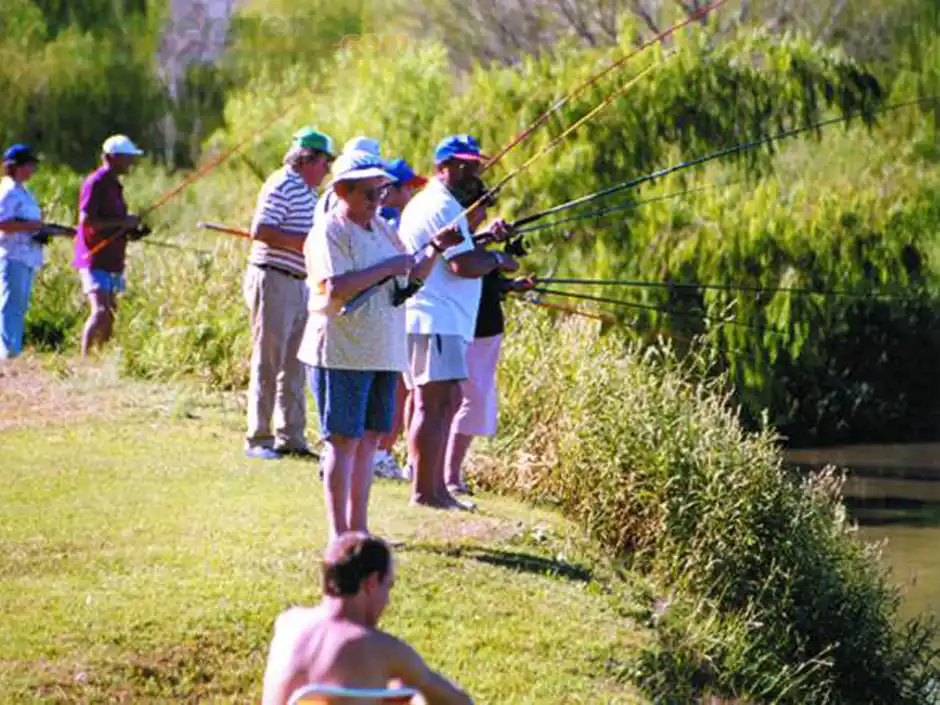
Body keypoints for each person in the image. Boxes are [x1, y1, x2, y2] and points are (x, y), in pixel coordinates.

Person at [298, 150, 460, 540]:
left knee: (370, 442)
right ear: (342, 191)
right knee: (342, 441)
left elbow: (406, 281)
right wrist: (388, 268)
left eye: (380, 191)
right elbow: (334, 287)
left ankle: (361, 529)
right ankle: (341, 536)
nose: (376, 201)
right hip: (340, 351)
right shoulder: (329, 230)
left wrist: (434, 250)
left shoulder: (383, 228)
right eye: (368, 193)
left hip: (383, 349)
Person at [398, 135, 519, 509]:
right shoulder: (441, 206)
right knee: (432, 405)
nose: (473, 172)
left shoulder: (447, 206)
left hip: (442, 319)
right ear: (442, 167)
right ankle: (426, 492)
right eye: (463, 165)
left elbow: (462, 251)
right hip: (435, 317)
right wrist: (499, 261)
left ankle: (435, 489)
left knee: (444, 401)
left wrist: (484, 243)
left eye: (476, 166)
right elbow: (462, 265)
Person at [261, 532, 473, 705]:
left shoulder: (287, 623)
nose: (388, 601)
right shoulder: (383, 649)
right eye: (388, 586)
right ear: (371, 582)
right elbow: (458, 702)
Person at [244, 128, 334, 460]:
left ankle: (291, 436)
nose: (327, 169)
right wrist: (306, 244)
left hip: (299, 281)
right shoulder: (282, 184)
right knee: (268, 359)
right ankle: (259, 438)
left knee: (295, 362)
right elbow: (261, 230)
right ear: (308, 160)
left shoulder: (309, 192)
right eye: (326, 162)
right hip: (274, 278)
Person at [444, 178, 535, 495]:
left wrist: (511, 285)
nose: (484, 215)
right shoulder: (458, 234)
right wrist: (498, 257)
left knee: (470, 400)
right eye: (482, 207)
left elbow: (485, 282)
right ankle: (449, 476)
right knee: (469, 401)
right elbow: (465, 268)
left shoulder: (470, 238)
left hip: (484, 328)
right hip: (473, 330)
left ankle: (446, 473)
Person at [373, 158, 428, 481]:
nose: (411, 195)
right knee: (395, 388)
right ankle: (379, 453)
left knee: (402, 389)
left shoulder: (396, 219)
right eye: (408, 188)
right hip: (388, 315)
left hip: (398, 313)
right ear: (389, 189)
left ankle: (387, 453)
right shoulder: (386, 222)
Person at [73, 134, 147, 358]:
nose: (131, 162)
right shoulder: (95, 182)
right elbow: (87, 221)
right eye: (127, 158)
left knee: (111, 313)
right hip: (94, 257)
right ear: (112, 158)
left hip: (113, 258)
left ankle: (100, 358)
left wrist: (131, 230)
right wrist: (123, 222)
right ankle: (85, 359)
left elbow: (111, 223)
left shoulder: (115, 186)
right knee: (100, 311)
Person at [0, 145, 45, 359]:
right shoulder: (7, 190)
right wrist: (31, 227)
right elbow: (3, 223)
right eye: (29, 164)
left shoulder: (25, 191)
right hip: (11, 255)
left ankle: (13, 350)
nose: (32, 169)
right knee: (9, 304)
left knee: (20, 305)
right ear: (17, 167)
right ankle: (7, 352)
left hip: (26, 256)